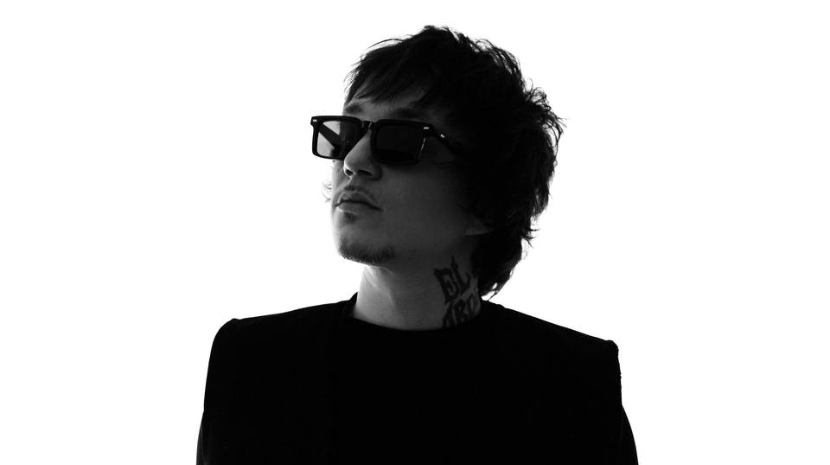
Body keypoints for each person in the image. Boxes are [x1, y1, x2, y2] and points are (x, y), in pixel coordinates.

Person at [197, 25, 638, 464]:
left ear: (486, 203)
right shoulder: (252, 363)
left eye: (401, 140)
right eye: (347, 132)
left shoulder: (574, 384)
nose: (353, 161)